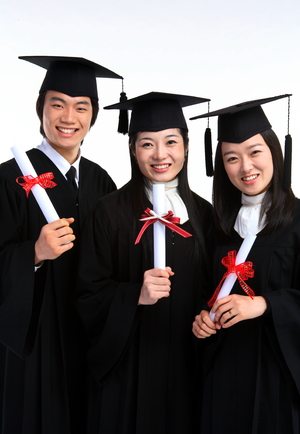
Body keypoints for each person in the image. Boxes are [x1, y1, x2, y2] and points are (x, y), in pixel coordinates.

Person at [74, 91, 213, 433]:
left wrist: (207, 316)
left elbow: (212, 289)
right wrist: (134, 294)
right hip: (126, 373)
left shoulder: (206, 216)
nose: (160, 155)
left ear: (186, 147)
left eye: (171, 142)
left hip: (185, 369)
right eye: (147, 144)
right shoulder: (107, 213)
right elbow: (84, 296)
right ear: (133, 149)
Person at [0, 56, 122, 434]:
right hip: (34, 342)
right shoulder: (11, 177)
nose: (68, 117)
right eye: (58, 104)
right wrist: (33, 254)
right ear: (41, 109)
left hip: (88, 338)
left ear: (93, 116)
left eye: (81, 107)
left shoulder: (103, 182)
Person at [191, 94, 300, 433]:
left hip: (277, 378)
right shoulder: (218, 226)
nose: (245, 167)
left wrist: (264, 304)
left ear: (275, 152)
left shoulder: (298, 222)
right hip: (223, 376)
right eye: (231, 158)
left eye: (255, 152)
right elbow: (202, 291)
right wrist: (201, 321)